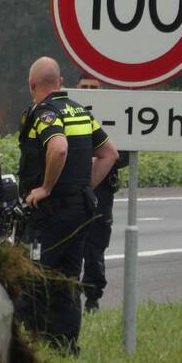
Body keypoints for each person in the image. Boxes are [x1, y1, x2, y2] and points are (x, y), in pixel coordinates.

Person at [16, 57, 119, 354]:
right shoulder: (79, 111)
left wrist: (45, 188)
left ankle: (30, 346)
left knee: (31, 276)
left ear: (31, 85)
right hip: (79, 211)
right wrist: (85, 187)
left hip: (50, 213)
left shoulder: (45, 113)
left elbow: (58, 147)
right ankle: (65, 346)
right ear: (60, 82)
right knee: (68, 278)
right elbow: (109, 154)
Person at [75, 73, 129, 313]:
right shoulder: (67, 112)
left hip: (102, 192)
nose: (89, 91)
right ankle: (68, 294)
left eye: (93, 87)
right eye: (84, 87)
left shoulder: (115, 115)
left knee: (95, 248)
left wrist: (102, 159)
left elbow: (125, 153)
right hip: (71, 190)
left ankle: (93, 297)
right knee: (69, 244)